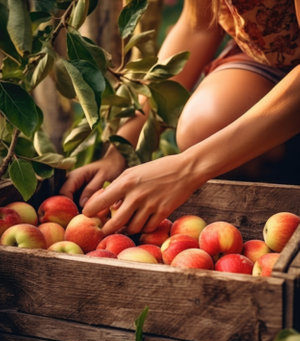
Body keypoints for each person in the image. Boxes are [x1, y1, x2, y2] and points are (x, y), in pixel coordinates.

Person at [60, 0, 300, 236]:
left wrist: (187, 169)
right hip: (269, 49)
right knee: (203, 126)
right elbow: (197, 25)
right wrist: (121, 149)